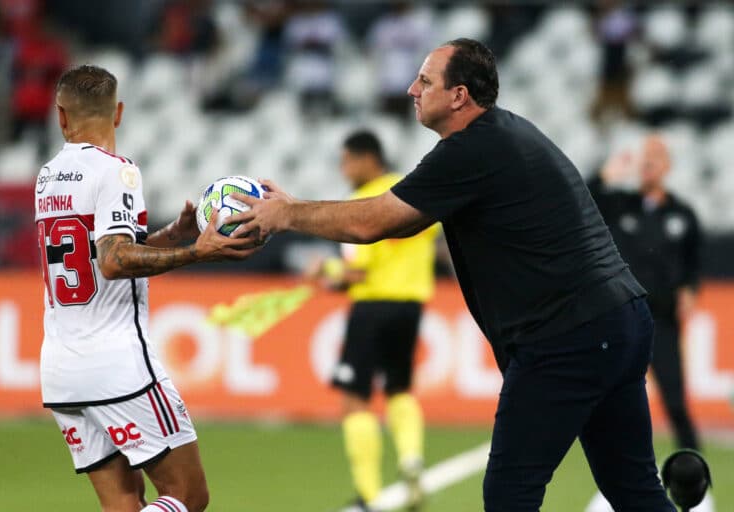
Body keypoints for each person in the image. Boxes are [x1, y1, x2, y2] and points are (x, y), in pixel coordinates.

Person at [227, 38, 676, 511]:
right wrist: (293, 207)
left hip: (568, 333)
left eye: (425, 81)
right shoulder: (503, 134)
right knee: (634, 492)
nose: (411, 89)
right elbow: (396, 221)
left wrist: (287, 214)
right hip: (619, 319)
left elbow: (373, 222)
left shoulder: (472, 149)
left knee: (509, 494)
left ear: (459, 95)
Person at [34, 65, 260, 512]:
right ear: (118, 113)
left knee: (123, 503)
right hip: (116, 366)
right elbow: (114, 261)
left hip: (62, 370)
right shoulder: (117, 172)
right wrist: (196, 251)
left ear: (60, 115)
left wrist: (168, 237)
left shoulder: (48, 176)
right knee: (188, 495)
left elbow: (97, 257)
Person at [306, 130, 438, 511]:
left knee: (355, 400)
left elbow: (356, 271)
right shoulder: (413, 191)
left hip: (372, 306)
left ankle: (369, 496)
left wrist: (325, 270)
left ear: (368, 159)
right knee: (399, 388)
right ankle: (411, 458)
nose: (344, 170)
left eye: (347, 161)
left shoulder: (363, 202)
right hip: (410, 305)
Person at [585, 136, 713, 512]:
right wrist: (604, 177)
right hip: (621, 318)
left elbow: (694, 263)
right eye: (643, 157)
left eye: (655, 158)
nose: (647, 164)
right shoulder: (619, 204)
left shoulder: (682, 214)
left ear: (667, 166)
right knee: (610, 402)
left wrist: (690, 290)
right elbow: (581, 203)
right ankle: (614, 481)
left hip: (663, 321)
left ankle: (695, 481)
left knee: (675, 401)